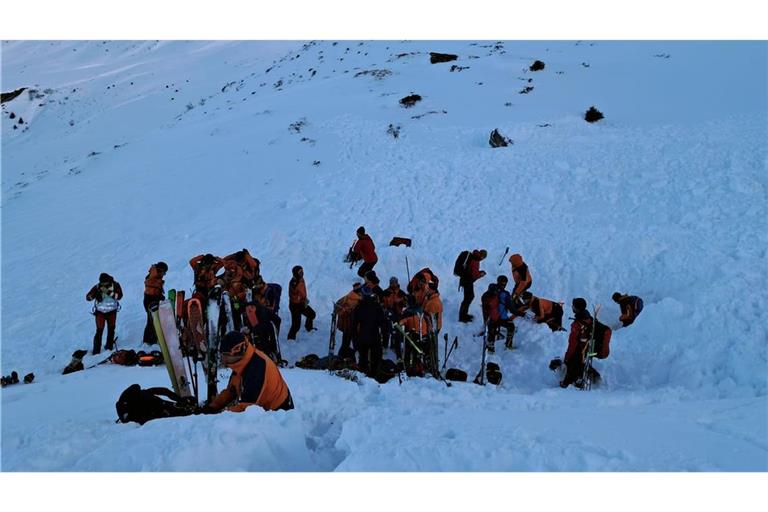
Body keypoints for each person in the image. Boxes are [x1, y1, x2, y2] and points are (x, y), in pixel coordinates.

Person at [201, 331, 293, 413]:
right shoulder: (243, 362)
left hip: (281, 415)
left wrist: (221, 416)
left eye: (226, 356)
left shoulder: (256, 368)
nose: (222, 360)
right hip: (266, 410)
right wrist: (212, 407)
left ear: (237, 352)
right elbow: (231, 392)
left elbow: (246, 408)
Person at [560, 297, 600, 388]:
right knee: (581, 364)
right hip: (587, 347)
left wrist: (568, 356)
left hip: (579, 348)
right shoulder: (589, 317)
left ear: (577, 308)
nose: (572, 307)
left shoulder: (577, 324)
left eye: (573, 306)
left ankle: (567, 384)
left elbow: (572, 343)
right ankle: (594, 378)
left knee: (571, 363)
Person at [351, 286, 388, 376]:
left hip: (363, 336)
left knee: (363, 359)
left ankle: (364, 376)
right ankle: (374, 375)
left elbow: (353, 325)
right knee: (376, 359)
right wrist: (385, 339)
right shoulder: (377, 306)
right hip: (375, 336)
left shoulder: (358, 307)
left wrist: (355, 341)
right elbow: (383, 324)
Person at [85, 273, 123, 354]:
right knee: (99, 331)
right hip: (100, 313)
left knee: (111, 329)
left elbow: (119, 296)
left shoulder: (115, 285)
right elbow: (88, 297)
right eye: (102, 283)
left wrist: (109, 292)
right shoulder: (97, 287)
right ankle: (96, 350)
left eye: (104, 283)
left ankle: (109, 346)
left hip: (112, 312)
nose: (103, 284)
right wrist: (93, 296)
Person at [334, 282, 363, 360]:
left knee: (346, 344)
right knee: (354, 344)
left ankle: (341, 358)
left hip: (348, 325)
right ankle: (353, 360)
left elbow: (337, 305)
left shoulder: (349, 296)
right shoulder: (354, 299)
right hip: (351, 325)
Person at [287, 265, 316, 340]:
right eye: (300, 272)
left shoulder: (300, 279)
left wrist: (304, 299)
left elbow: (302, 291)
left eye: (302, 271)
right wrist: (303, 300)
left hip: (301, 303)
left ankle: (308, 327)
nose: (302, 273)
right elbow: (294, 297)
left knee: (312, 314)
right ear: (296, 274)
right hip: (295, 306)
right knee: (296, 325)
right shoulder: (294, 283)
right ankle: (290, 339)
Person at [458, 249, 487, 322]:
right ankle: (462, 316)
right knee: (469, 297)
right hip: (468, 281)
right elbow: (474, 275)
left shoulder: (473, 256)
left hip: (465, 279)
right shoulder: (476, 260)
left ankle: (463, 314)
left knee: (468, 297)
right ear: (483, 256)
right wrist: (481, 274)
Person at [143, 261, 167, 345]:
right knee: (151, 321)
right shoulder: (153, 276)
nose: (164, 275)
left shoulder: (155, 276)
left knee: (153, 320)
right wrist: (159, 296)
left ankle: (152, 338)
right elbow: (151, 291)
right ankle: (148, 340)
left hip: (152, 300)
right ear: (161, 270)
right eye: (164, 272)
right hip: (150, 301)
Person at [381, 276, 407, 353]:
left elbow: (405, 304)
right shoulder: (385, 292)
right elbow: (382, 303)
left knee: (396, 331)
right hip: (388, 314)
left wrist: (402, 302)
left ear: (397, 283)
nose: (393, 284)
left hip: (398, 314)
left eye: (394, 282)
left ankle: (394, 346)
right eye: (391, 282)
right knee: (386, 330)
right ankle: (385, 345)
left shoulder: (401, 293)